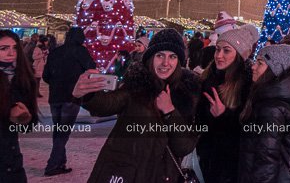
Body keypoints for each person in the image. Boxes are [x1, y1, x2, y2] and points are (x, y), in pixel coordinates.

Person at [72, 28, 201, 183]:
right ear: (151, 57)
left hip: (162, 176)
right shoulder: (136, 85)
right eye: (160, 55)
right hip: (126, 173)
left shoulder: (186, 93)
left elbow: (184, 146)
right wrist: (86, 93)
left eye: (172, 57)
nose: (165, 63)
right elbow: (109, 103)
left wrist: (169, 111)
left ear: (179, 61)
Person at [238, 43, 290, 182]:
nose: (253, 66)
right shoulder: (279, 100)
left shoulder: (271, 109)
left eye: (260, 63)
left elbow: (266, 160)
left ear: (273, 70)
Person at [196, 24, 258, 183]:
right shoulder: (208, 78)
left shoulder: (248, 84)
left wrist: (224, 115)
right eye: (218, 49)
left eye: (226, 50)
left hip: (232, 166)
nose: (219, 55)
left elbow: (250, 128)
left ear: (239, 55)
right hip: (207, 159)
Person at [42, 27, 96, 176]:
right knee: (63, 132)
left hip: (55, 97)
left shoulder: (55, 52)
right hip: (72, 96)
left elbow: (45, 76)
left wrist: (55, 82)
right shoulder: (80, 52)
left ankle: (60, 162)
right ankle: (52, 165)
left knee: (58, 130)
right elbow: (92, 68)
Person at [0, 30, 38, 183]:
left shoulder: (23, 78)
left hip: (10, 159)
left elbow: (29, 125)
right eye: (3, 48)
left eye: (15, 47)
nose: (11, 52)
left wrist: (24, 120)